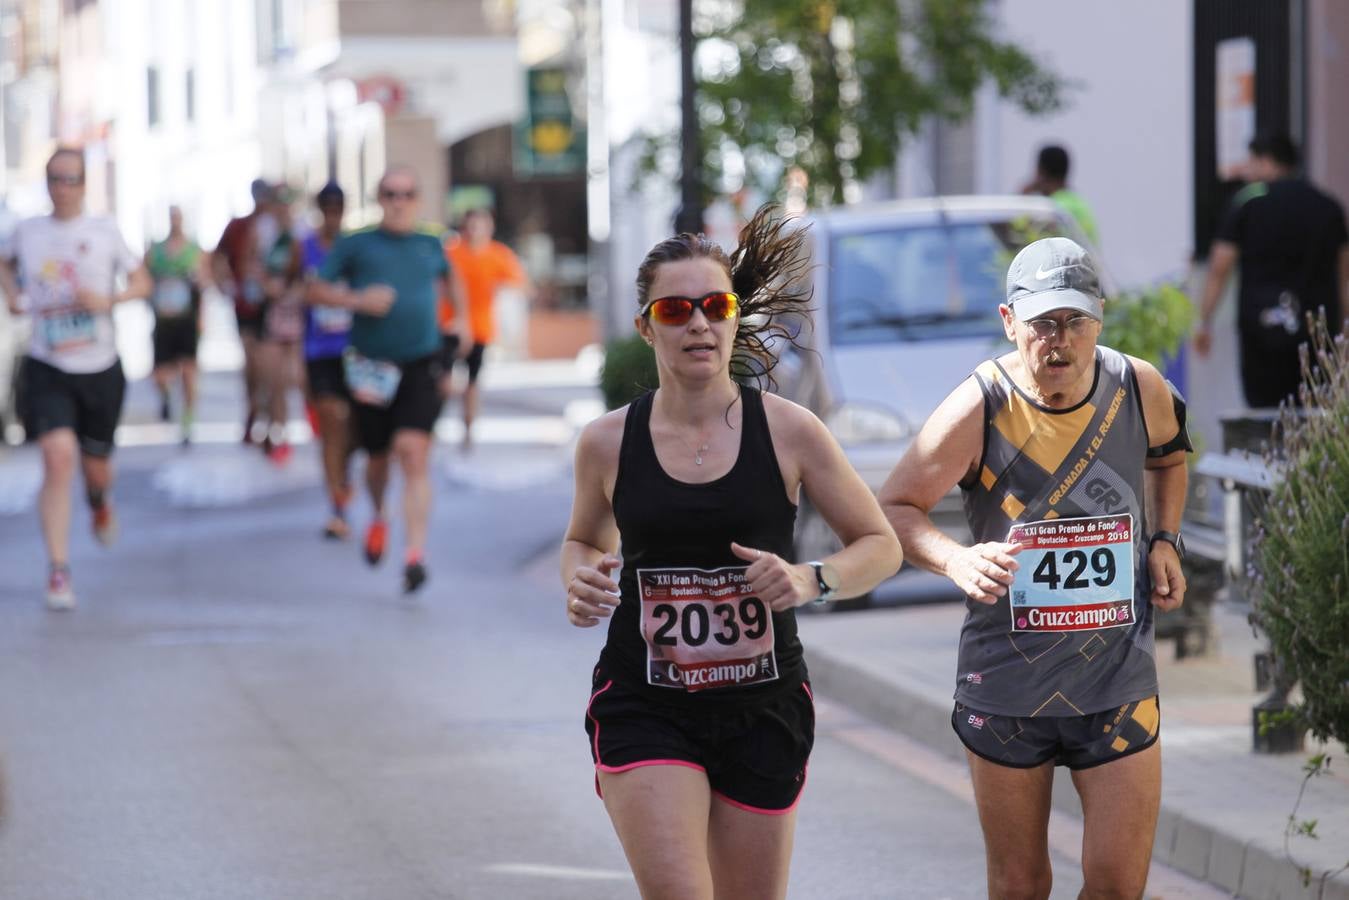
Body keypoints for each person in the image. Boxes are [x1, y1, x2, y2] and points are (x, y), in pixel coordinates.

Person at [562, 205, 903, 899]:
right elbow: (581, 542)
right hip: (645, 702)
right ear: (645, 326)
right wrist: (581, 578)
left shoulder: (789, 431)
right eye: (676, 309)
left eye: (714, 306)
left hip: (763, 705)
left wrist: (813, 580)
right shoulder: (605, 443)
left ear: (733, 316)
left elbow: (880, 546)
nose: (697, 323)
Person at [878, 237, 1190, 899]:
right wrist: (954, 557)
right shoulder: (981, 404)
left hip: (1115, 679)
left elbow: (1167, 457)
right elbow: (895, 508)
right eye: (1042, 323)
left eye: (1074, 321)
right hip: (1007, 691)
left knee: (1116, 885)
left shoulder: (1139, 386)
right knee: (1020, 884)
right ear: (1008, 322)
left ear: (1098, 318)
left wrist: (1164, 539)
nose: (1059, 340)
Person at [0, 147, 151, 609]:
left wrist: (110, 301)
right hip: (49, 363)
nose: (61, 188)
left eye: (70, 179)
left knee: (95, 466)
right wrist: (14, 296)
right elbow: (3, 261)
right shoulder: (28, 231)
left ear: (85, 184)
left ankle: (100, 499)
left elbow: (142, 282)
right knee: (57, 456)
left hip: (100, 366)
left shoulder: (104, 231)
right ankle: (59, 570)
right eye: (53, 179)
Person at [309, 166, 455, 593]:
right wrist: (357, 299)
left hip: (420, 363)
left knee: (412, 451)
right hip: (371, 366)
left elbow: (452, 283)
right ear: (379, 198)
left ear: (418, 199)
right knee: (376, 458)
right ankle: (377, 515)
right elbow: (314, 290)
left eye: (407, 194)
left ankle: (414, 556)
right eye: (390, 193)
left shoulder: (432, 243)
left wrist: (459, 321)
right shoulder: (356, 244)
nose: (398, 201)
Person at [1194, 133, 1349, 408]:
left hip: (1261, 325)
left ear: (1267, 161)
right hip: (1318, 330)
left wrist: (1205, 321)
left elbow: (1220, 267)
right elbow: (1345, 275)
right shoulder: (1327, 205)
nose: (1248, 170)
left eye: (1252, 161)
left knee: (1264, 413)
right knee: (1314, 412)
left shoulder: (1248, 201)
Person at [442, 208, 530, 451]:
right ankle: (433, 426)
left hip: (480, 329)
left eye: (480, 225)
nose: (475, 231)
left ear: (489, 227)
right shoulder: (451, 252)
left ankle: (468, 432)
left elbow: (520, 283)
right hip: (449, 327)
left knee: (471, 384)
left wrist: (501, 289)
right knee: (444, 381)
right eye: (471, 225)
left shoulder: (497, 254)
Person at [297, 182, 355, 538]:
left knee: (351, 431)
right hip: (319, 351)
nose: (332, 215)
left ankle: (344, 482)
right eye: (327, 208)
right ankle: (337, 505)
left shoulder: (356, 248)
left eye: (338, 208)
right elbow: (287, 289)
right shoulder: (304, 248)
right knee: (330, 424)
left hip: (356, 351)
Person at [215, 178, 280, 444]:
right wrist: (225, 285)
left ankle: (270, 420)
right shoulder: (239, 226)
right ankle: (254, 410)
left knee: (270, 366)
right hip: (245, 305)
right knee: (252, 364)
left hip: (272, 307)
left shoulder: (278, 228)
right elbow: (219, 259)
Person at [145, 205, 209, 444]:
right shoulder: (156, 252)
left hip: (187, 320)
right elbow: (144, 280)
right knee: (160, 374)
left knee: (189, 371)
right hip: (163, 320)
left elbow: (204, 284)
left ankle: (188, 421)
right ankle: (166, 398)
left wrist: (202, 317)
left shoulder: (194, 251)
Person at [257, 184, 304, 463]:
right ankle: (279, 431)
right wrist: (266, 286)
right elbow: (251, 266)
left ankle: (299, 421)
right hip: (271, 314)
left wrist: (297, 291)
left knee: (295, 376)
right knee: (273, 378)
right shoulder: (262, 232)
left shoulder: (302, 232)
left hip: (297, 313)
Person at [1022, 145, 1100, 246]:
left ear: (1041, 172)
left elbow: (1025, 241)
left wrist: (1023, 196)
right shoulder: (1076, 202)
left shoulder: (1052, 209)